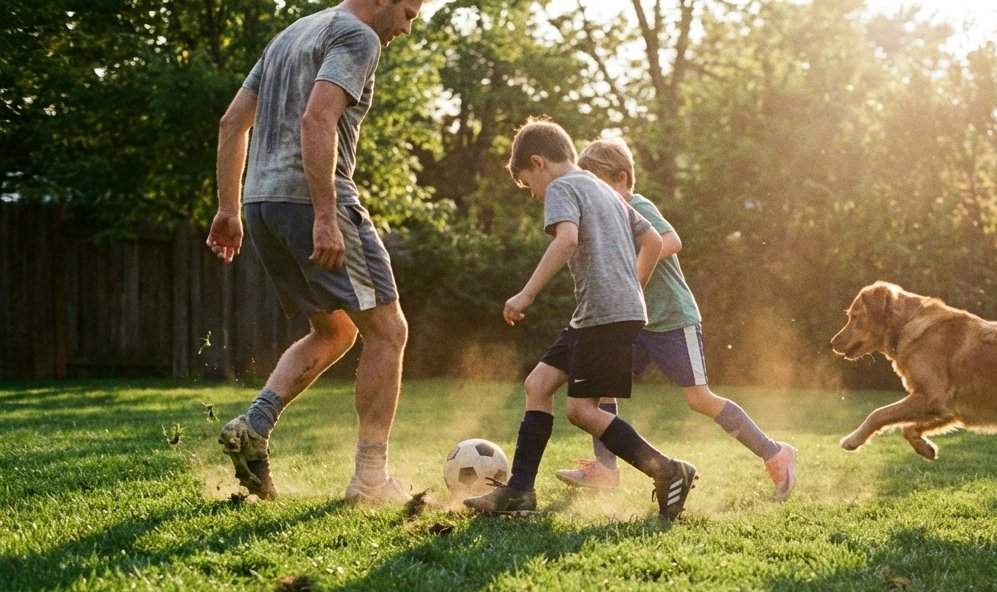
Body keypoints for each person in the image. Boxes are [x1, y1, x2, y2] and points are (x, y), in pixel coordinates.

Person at [204, 0, 424, 503]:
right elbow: (316, 118)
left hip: (262, 204)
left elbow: (231, 123)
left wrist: (229, 209)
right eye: (408, 13)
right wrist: (326, 215)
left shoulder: (291, 34)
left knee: (334, 329)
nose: (406, 29)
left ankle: (254, 424)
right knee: (388, 332)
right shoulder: (358, 35)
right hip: (312, 201)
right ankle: (370, 480)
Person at [463, 118, 697, 521]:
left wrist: (526, 293)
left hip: (604, 314)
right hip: (599, 312)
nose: (534, 195)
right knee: (538, 384)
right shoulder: (601, 188)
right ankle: (519, 491)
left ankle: (668, 471)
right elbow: (654, 240)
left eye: (526, 184)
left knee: (581, 410)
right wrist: (631, 288)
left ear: (538, 163)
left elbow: (566, 239)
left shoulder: (562, 186)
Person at [555, 137, 798, 500]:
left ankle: (775, 454)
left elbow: (670, 240)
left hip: (672, 320)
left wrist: (632, 280)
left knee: (699, 398)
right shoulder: (604, 219)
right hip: (634, 322)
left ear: (622, 178)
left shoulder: (636, 205)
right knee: (600, 389)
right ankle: (605, 469)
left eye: (597, 182)